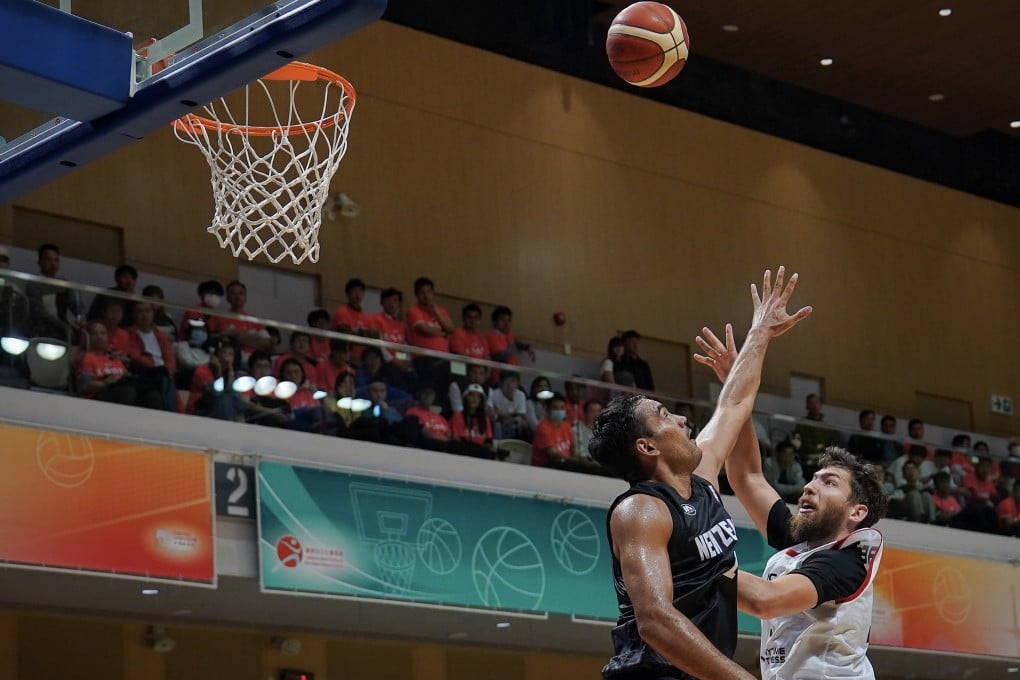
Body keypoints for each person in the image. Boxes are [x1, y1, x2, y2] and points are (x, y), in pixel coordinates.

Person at [588, 266, 811, 680]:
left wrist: (760, 332)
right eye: (664, 415)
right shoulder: (641, 511)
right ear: (648, 447)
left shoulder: (701, 476)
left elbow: (733, 404)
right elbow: (654, 619)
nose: (681, 418)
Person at [698, 322, 888, 680]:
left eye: (828, 482)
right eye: (812, 478)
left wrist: (695, 557)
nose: (809, 487)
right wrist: (735, 385)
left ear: (856, 512)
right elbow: (747, 477)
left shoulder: (845, 561)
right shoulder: (803, 543)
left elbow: (763, 600)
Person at [25, 243, 81, 341]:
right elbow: (39, 312)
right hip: (42, 327)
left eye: (56, 260)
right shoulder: (33, 284)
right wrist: (63, 326)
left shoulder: (64, 283)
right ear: (39, 262)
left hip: (64, 327)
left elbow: (77, 305)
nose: (53, 264)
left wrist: (80, 318)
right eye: (48, 259)